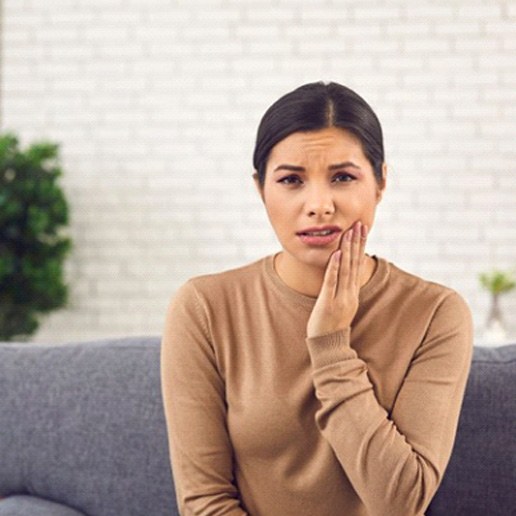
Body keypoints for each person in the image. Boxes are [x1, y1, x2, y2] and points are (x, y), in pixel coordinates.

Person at [160, 81, 473, 516]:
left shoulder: (435, 313)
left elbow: (402, 502)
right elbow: (205, 503)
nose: (319, 205)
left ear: (381, 183)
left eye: (343, 177)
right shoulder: (204, 307)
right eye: (291, 180)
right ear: (260, 189)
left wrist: (330, 344)